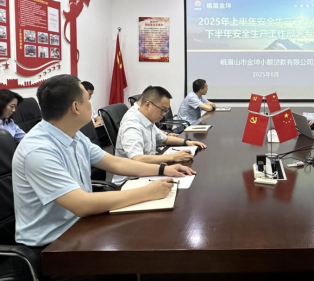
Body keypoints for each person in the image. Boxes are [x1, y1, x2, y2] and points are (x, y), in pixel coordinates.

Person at [11, 75, 195, 279]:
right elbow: (81, 204)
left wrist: (163, 170)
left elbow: (115, 163)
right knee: (134, 259)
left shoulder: (73, 135)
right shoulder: (38, 150)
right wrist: (147, 192)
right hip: (52, 247)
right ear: (75, 107)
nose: (91, 104)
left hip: (81, 226)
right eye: (88, 99)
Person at [113, 86, 206, 184]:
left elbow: (165, 139)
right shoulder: (132, 125)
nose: (164, 114)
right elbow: (137, 159)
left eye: (166, 111)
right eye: (163, 110)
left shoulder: (148, 121)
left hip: (147, 172)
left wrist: (187, 142)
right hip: (130, 180)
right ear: (148, 105)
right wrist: (172, 157)